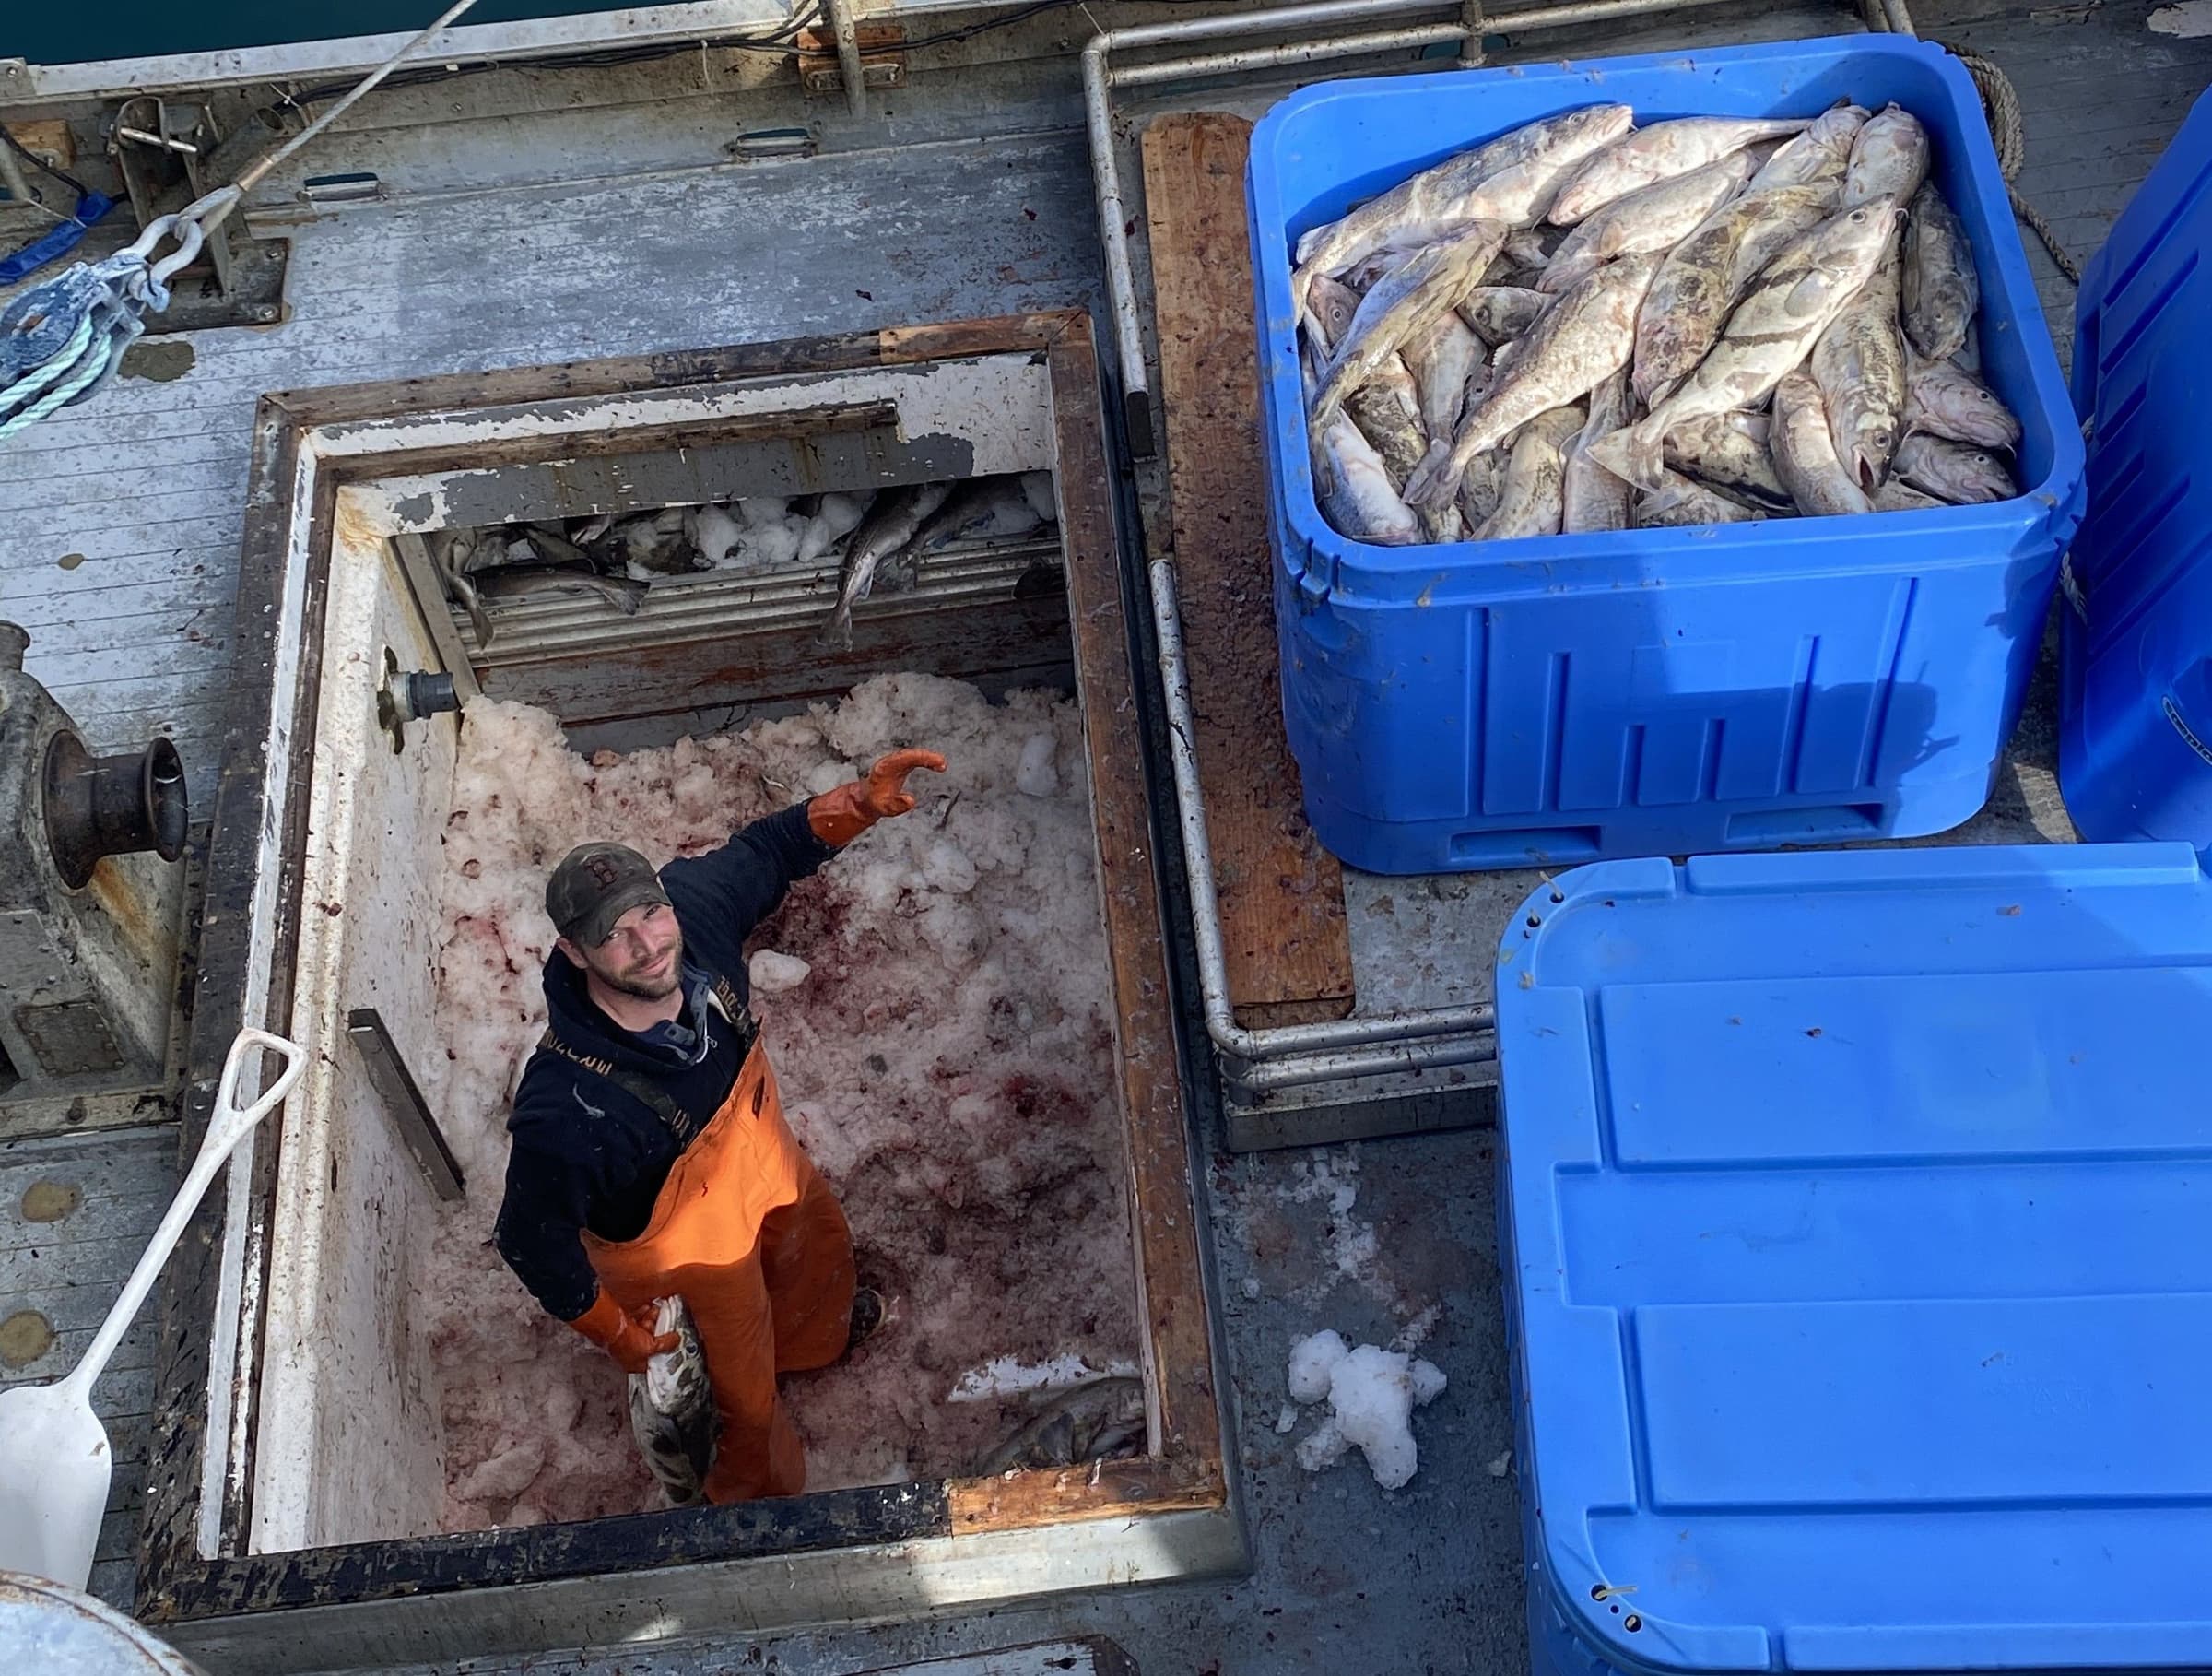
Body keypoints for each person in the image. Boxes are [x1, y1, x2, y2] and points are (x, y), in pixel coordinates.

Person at [493, 748, 946, 1503]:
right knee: (741, 1408)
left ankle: (812, 1343)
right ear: (573, 951)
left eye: (650, 913)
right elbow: (528, 1239)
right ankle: (752, 1508)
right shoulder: (568, 1110)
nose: (649, 945)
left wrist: (859, 805)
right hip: (689, 1271)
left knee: (812, 1254)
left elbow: (765, 853)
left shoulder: (691, 915)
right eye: (614, 936)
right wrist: (618, 1333)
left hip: (766, 1173)